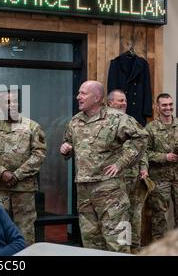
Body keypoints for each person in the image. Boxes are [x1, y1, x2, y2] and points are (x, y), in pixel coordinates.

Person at [60, 81, 148, 253]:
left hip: (110, 190)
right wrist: (65, 149)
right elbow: (69, 144)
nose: (78, 97)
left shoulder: (117, 118)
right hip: (84, 191)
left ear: (97, 97)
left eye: (83, 93)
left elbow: (142, 138)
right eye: (79, 93)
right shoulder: (75, 121)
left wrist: (121, 163)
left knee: (118, 242)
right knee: (91, 242)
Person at [0, 92, 46, 245]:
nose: (10, 105)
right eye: (6, 102)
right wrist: (1, 172)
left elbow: (39, 155)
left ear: (19, 105)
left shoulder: (32, 127)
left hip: (24, 188)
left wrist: (16, 175)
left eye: (13, 101)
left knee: (25, 229)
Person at [107, 89, 149, 252]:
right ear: (110, 103)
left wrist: (144, 168)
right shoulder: (106, 122)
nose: (124, 103)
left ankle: (135, 249)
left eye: (124, 100)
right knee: (120, 216)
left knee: (135, 214)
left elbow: (142, 149)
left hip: (134, 177)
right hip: (116, 178)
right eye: (120, 101)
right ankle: (122, 250)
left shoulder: (131, 121)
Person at [146, 94, 178, 241]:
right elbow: (144, 153)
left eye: (170, 104)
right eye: (164, 105)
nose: (168, 108)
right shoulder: (151, 128)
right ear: (157, 107)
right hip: (160, 178)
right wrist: (164, 157)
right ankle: (160, 249)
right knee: (159, 214)